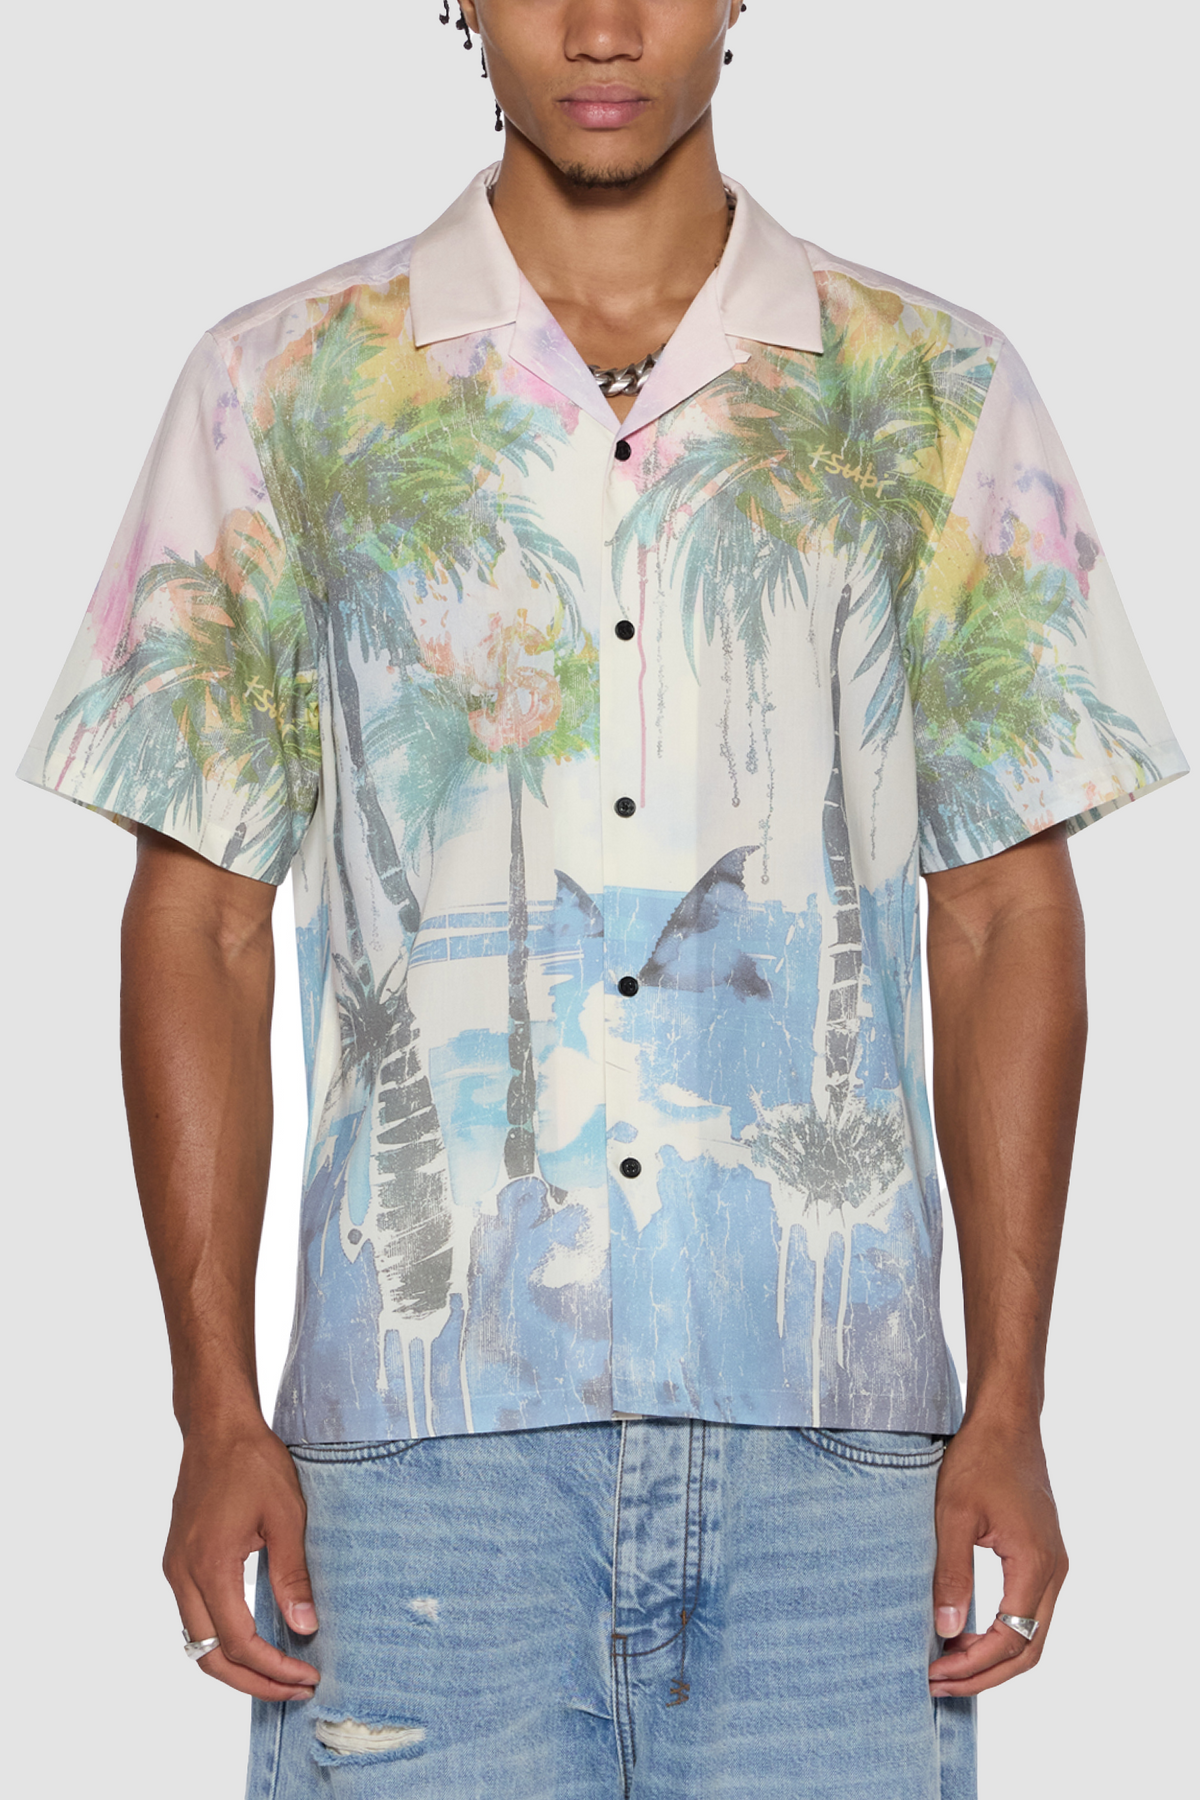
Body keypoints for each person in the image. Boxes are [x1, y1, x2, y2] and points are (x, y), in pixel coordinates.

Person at [17, 2, 1187, 1795]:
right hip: (415, 1461)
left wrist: (1012, 1403)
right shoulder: (282, 387)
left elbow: (1004, 911)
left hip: (839, 1456)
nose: (604, 26)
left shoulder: (933, 389)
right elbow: (202, 916)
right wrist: (214, 1410)